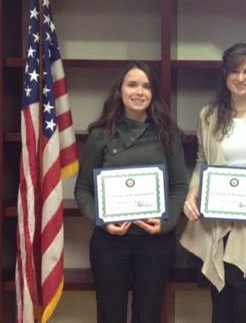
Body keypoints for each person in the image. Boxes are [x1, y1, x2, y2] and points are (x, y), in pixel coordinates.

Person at [179, 43, 246, 323]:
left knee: (245, 308)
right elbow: (202, 163)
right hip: (214, 223)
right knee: (220, 306)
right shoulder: (208, 115)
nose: (241, 78)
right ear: (225, 75)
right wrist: (191, 197)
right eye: (235, 71)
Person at [74, 61, 188, 323]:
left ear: (153, 93)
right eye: (132, 84)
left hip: (155, 244)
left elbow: (179, 186)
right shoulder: (100, 135)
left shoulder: (167, 134)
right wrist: (102, 221)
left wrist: (166, 223)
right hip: (110, 243)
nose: (139, 92)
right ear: (120, 90)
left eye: (146, 86)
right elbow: (82, 190)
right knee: (109, 315)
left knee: (148, 316)